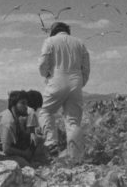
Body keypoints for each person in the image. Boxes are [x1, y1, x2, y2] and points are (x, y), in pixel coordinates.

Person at [37, 21, 90, 161]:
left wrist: (46, 74)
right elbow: (86, 66)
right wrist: (81, 82)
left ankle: (51, 143)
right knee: (73, 121)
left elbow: (43, 64)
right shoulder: (79, 43)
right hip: (76, 81)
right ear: (67, 31)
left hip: (56, 79)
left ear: (53, 31)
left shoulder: (49, 41)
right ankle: (76, 157)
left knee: (45, 111)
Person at [0, 90, 36, 167]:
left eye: (26, 103)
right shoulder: (8, 122)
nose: (26, 107)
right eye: (23, 103)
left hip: (4, 147)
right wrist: (24, 153)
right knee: (25, 164)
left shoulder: (14, 116)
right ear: (14, 105)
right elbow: (6, 149)